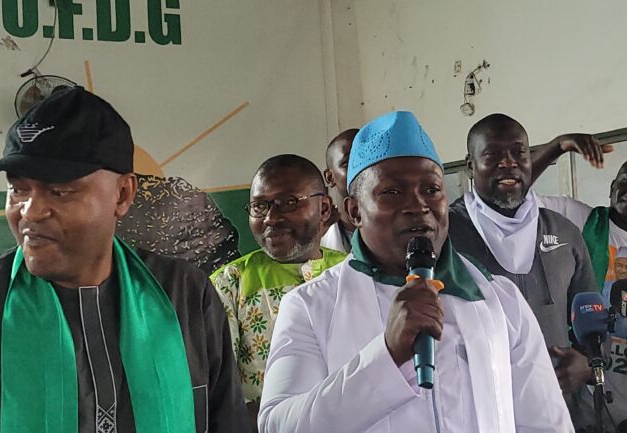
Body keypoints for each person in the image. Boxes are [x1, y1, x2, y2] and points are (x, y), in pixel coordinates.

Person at [258, 111, 573, 433]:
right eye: (392, 192)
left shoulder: (500, 299)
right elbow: (278, 425)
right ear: (354, 210)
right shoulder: (311, 306)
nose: (418, 205)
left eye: (431, 189)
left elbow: (547, 425)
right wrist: (386, 356)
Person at [0, 87, 249, 433]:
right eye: (18, 189)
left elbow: (227, 421)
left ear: (122, 194)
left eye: (59, 191)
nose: (30, 211)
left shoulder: (184, 293)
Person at [448, 114, 596, 398]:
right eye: (492, 155)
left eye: (519, 153)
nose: (508, 163)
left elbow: (592, 317)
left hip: (560, 403)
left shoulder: (563, 232)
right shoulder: (446, 235)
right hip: (481, 405)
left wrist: (588, 363)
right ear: (470, 166)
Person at [530, 145, 627, 429]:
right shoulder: (579, 219)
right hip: (579, 395)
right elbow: (518, 193)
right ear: (612, 188)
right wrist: (557, 147)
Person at [211, 154, 346, 430]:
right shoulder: (229, 283)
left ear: (323, 208)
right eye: (260, 206)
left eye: (289, 203)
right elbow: (218, 392)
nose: (271, 218)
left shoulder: (352, 274)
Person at [321, 128, 359, 252]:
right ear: (330, 177)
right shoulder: (317, 242)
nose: (362, 169)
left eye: (370, 160)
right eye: (348, 163)